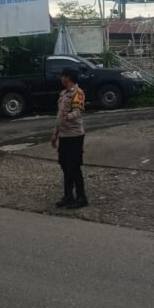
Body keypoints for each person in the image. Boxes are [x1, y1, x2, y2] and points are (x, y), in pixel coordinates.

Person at [50, 66, 88, 209]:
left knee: (74, 167)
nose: (61, 78)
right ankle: (68, 196)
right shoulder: (63, 94)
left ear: (68, 78)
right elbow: (59, 116)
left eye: (63, 76)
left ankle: (81, 197)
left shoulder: (78, 92)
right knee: (65, 166)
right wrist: (55, 134)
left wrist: (69, 116)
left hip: (75, 135)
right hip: (64, 135)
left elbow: (78, 111)